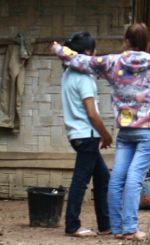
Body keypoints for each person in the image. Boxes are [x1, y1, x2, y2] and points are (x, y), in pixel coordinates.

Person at [53, 23, 150, 241]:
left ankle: (117, 228)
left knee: (117, 178)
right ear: (147, 43)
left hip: (125, 131)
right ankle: (130, 228)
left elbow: (82, 60)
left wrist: (60, 50)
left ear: (126, 42)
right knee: (135, 177)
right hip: (149, 130)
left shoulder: (112, 62)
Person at [60, 31, 112, 238]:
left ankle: (105, 224)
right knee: (81, 181)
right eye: (95, 50)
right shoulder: (84, 77)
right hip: (87, 135)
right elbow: (91, 113)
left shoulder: (68, 73)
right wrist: (106, 135)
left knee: (102, 177)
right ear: (88, 52)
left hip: (77, 135)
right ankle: (72, 225)